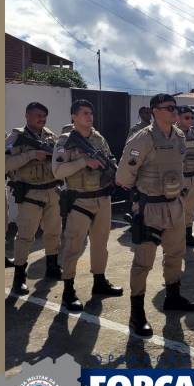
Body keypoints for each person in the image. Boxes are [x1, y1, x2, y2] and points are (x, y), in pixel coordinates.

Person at [116, 94, 194, 339]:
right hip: (150, 208)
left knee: (175, 254)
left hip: (174, 206)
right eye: (169, 108)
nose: (174, 112)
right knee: (143, 262)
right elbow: (123, 177)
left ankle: (173, 297)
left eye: (175, 107)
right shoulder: (143, 138)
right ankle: (137, 314)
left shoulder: (179, 135)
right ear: (155, 111)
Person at [52, 99, 122, 312]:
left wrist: (113, 170)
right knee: (73, 245)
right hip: (79, 200)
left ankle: (99, 282)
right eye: (84, 113)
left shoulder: (98, 138)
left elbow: (110, 157)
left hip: (102, 199)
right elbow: (57, 171)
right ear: (73, 117)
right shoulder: (65, 140)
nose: (90, 117)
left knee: (100, 244)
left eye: (91, 113)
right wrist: (84, 162)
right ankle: (68, 291)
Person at [5, 102, 62, 295]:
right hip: (30, 194)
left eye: (44, 116)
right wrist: (30, 155)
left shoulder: (50, 136)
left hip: (52, 191)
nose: (42, 119)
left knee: (53, 232)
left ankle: (52, 267)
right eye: (38, 115)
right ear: (27, 115)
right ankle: (19, 278)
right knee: (25, 237)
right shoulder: (16, 137)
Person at [176, 105, 194, 248]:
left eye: (192, 117)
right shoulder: (173, 134)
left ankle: (188, 236)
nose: (190, 120)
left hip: (193, 176)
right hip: (179, 178)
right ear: (178, 118)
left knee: (191, 208)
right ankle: (175, 239)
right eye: (187, 117)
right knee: (177, 209)